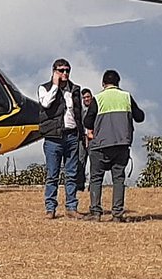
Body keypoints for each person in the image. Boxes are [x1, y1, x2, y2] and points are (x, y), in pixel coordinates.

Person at [83, 70, 144, 222]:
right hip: (121, 144)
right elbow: (140, 117)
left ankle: (96, 213)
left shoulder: (98, 98)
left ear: (103, 84)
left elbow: (87, 122)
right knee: (118, 179)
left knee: (96, 178)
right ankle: (117, 214)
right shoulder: (126, 97)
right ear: (118, 83)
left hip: (101, 145)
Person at [38, 58, 85, 220]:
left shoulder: (75, 90)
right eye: (61, 70)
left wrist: (82, 134)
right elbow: (45, 103)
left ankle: (71, 207)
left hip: (72, 135)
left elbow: (79, 113)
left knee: (72, 174)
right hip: (53, 137)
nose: (65, 73)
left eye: (67, 70)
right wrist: (55, 85)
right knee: (53, 174)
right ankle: (50, 208)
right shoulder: (44, 89)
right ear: (54, 72)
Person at [76, 88, 93, 191]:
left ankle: (92, 185)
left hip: (93, 139)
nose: (86, 99)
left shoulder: (95, 109)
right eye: (84, 98)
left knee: (94, 163)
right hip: (82, 139)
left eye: (88, 97)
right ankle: (80, 185)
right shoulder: (81, 111)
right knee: (80, 162)